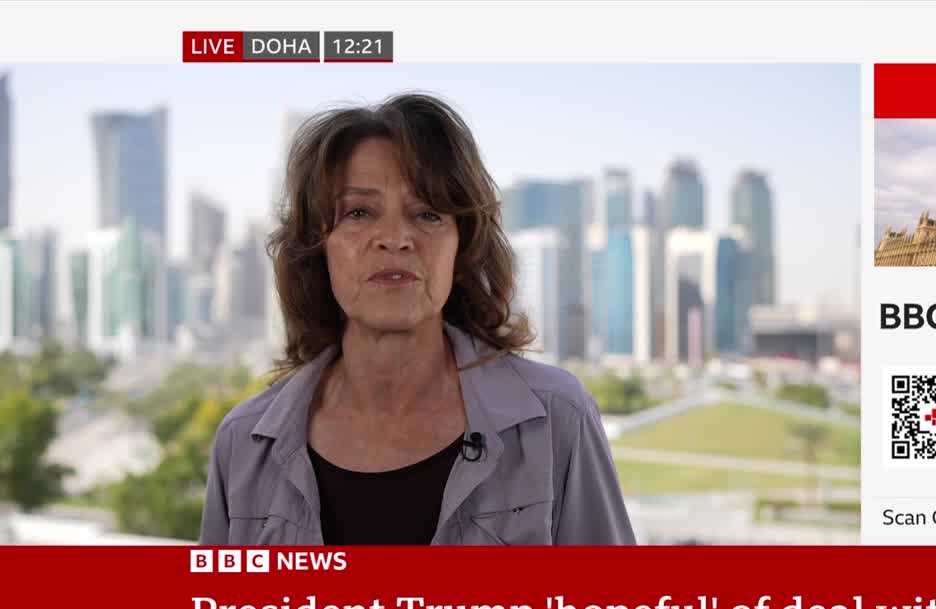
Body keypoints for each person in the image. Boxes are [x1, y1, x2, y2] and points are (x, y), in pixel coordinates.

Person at [199, 93, 635, 546]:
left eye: (427, 213)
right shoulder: (243, 445)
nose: (394, 238)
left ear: (462, 247)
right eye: (358, 213)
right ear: (316, 246)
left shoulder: (556, 419)